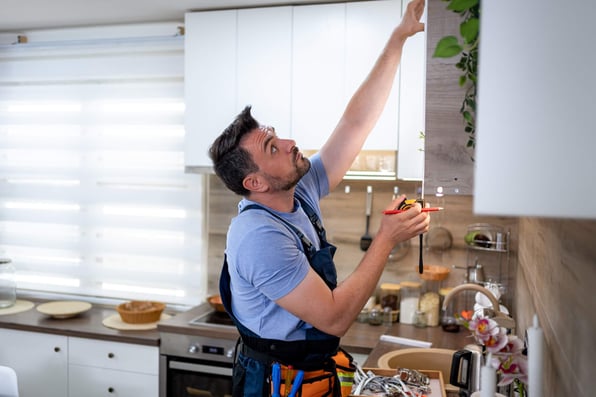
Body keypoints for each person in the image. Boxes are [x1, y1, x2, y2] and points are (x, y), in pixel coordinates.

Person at [208, 0, 428, 396]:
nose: (291, 143)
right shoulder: (258, 236)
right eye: (273, 147)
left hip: (308, 374)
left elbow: (355, 123)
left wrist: (398, 39)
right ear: (255, 183)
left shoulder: (298, 192)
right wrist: (386, 238)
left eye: (278, 136)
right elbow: (335, 317)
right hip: (276, 384)